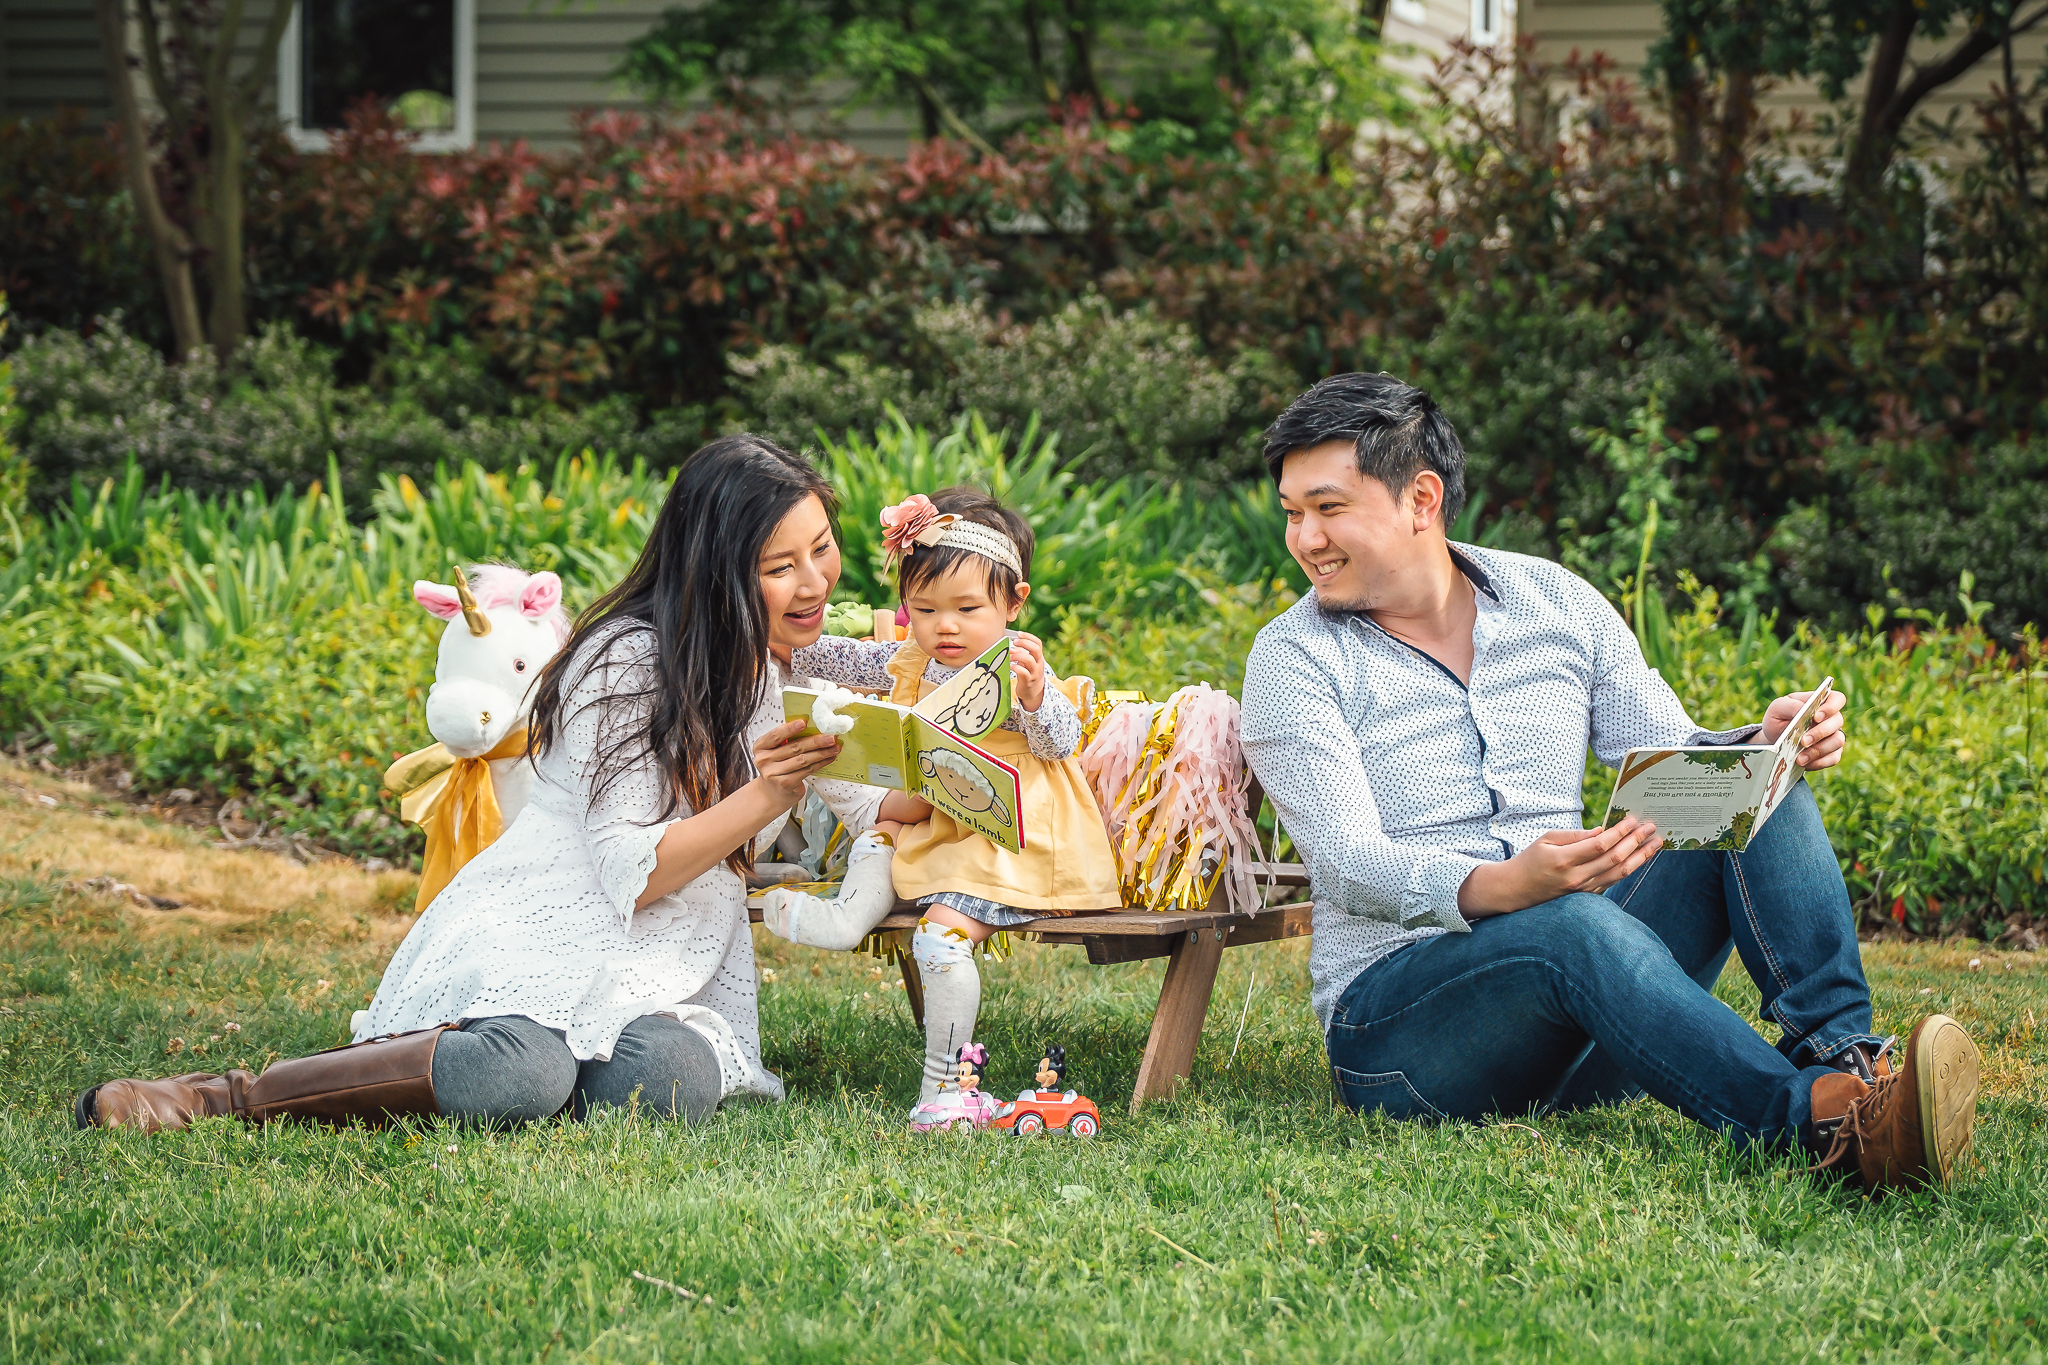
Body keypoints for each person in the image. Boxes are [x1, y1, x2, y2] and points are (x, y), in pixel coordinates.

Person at [1238, 373, 1980, 1194]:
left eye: (1327, 508)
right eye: (1292, 512)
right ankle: (1825, 1126)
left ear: (1421, 499)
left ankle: (1855, 1069)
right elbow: (1346, 862)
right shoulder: (1292, 658)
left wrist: (1760, 746)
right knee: (1571, 927)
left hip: (1586, 1024)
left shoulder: (1555, 602)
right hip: (1403, 1038)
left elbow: (1672, 757)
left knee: (1752, 795)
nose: (1304, 537)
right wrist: (1503, 885)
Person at [77, 436, 879, 1132]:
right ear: (715, 572)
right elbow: (630, 876)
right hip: (555, 924)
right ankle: (227, 1097)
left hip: (665, 962)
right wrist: (766, 797)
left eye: (822, 547)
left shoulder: (790, 667)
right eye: (781, 566)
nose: (815, 581)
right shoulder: (628, 663)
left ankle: (548, 1072)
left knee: (667, 1081)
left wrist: (980, 726)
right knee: (520, 1072)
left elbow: (883, 791)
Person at [756, 487, 1122, 1125]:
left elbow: (1061, 742)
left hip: (1006, 833)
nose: (944, 627)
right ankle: (847, 921)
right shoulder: (908, 657)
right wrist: (759, 640)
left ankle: (944, 1087)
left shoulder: (1014, 668)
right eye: (923, 609)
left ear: (1013, 603)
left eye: (967, 609)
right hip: (935, 818)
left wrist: (1037, 699)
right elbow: (812, 653)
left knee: (941, 939)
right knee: (881, 830)